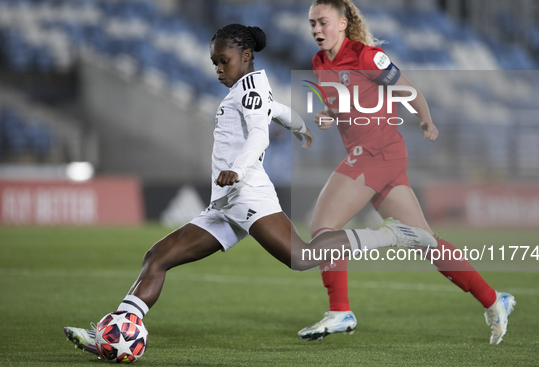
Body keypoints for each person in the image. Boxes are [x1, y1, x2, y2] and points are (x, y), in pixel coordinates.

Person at [64, 23, 439, 358]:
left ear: (245, 56)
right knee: (157, 256)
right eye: (214, 62)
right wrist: (300, 128)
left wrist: (237, 169)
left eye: (223, 61)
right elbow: (276, 112)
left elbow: (259, 132)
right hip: (224, 203)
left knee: (302, 258)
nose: (217, 69)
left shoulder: (248, 90)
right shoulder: (251, 88)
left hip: (246, 194)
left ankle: (392, 234)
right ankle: (113, 331)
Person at [298, 0, 516, 345]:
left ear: (342, 23)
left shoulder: (369, 56)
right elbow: (345, 104)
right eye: (312, 24)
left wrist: (426, 120)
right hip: (376, 155)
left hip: (377, 151)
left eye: (323, 22)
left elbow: (409, 90)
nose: (317, 29)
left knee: (323, 226)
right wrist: (327, 115)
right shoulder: (320, 63)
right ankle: (495, 300)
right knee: (427, 241)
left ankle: (340, 311)